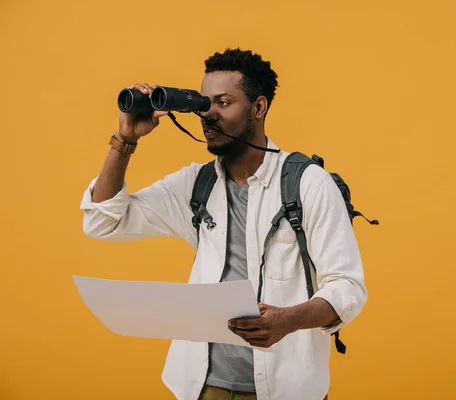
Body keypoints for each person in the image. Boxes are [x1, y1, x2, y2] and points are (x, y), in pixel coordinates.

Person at [80, 48, 367, 400]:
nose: (208, 115)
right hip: (202, 386)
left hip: (284, 389)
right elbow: (103, 220)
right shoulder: (196, 184)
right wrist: (125, 140)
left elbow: (348, 287)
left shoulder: (308, 183)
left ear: (258, 108)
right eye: (204, 103)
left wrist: (288, 319)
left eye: (224, 102)